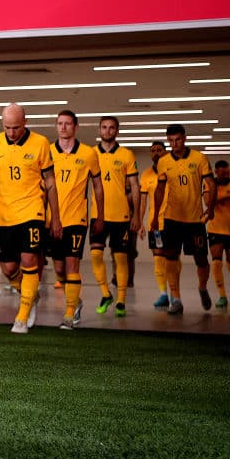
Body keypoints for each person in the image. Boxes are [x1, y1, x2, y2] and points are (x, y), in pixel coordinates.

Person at [0, 103, 61, 334]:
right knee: (8, 269)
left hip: (32, 211)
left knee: (30, 260)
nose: (11, 133)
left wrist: (56, 217)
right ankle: (30, 295)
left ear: (25, 122)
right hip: (5, 215)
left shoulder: (40, 143)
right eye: (7, 127)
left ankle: (21, 317)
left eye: (16, 127)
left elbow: (50, 183)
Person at [150, 124, 216, 315]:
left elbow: (211, 184)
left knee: (201, 260)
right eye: (170, 140)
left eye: (177, 139)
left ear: (184, 138)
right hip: (172, 219)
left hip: (195, 220)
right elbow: (160, 190)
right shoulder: (163, 161)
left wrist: (210, 209)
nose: (174, 143)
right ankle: (176, 299)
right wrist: (155, 217)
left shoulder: (199, 158)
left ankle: (202, 288)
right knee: (170, 257)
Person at [48, 110, 103, 329]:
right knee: (59, 270)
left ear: (76, 127)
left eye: (67, 124)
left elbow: (98, 186)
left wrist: (100, 215)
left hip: (77, 220)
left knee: (72, 266)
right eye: (60, 123)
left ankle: (69, 314)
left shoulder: (89, 154)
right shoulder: (48, 152)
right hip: (53, 220)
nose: (63, 127)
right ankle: (76, 301)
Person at [89, 116, 140, 317]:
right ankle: (105, 293)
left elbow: (135, 186)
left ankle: (120, 301)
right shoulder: (91, 154)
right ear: (99, 129)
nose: (107, 131)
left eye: (111, 128)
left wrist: (136, 215)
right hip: (97, 215)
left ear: (117, 131)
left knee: (121, 259)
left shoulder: (126, 154)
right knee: (95, 255)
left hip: (121, 217)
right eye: (104, 127)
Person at [206, 159, 230, 308]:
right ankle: (222, 296)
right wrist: (229, 197)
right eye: (222, 173)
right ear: (216, 172)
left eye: (227, 172)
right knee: (216, 262)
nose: (225, 175)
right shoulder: (209, 184)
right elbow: (207, 203)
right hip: (215, 229)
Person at [139, 140, 168, 307]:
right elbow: (143, 201)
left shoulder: (172, 170)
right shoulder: (146, 175)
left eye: (159, 150)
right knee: (158, 257)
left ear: (165, 152)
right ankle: (163, 293)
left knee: (171, 259)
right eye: (153, 151)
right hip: (155, 224)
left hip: (173, 222)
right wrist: (141, 222)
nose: (156, 153)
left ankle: (174, 292)